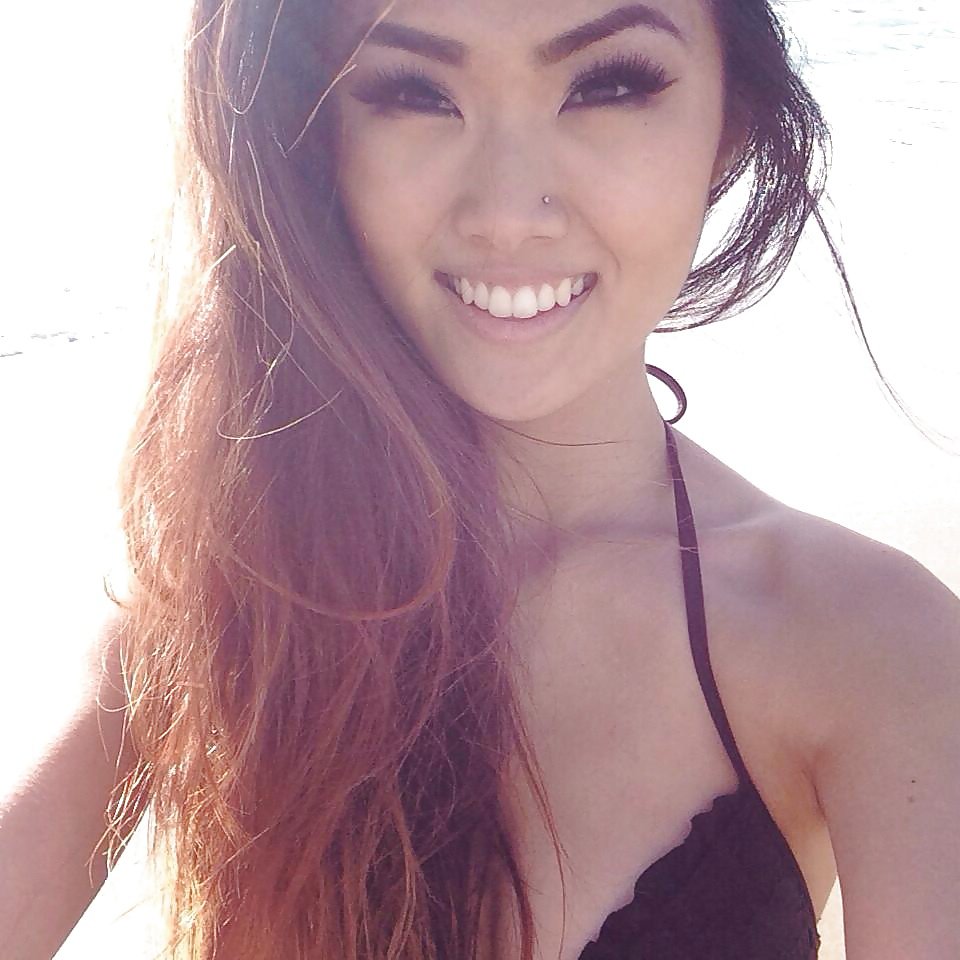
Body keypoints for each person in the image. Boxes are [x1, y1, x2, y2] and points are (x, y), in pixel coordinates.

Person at [2, 1, 958, 958]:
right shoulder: (224, 590)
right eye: (414, 92)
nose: (505, 211)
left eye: (607, 85)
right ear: (312, 140)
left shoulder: (871, 646)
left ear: (729, 125)